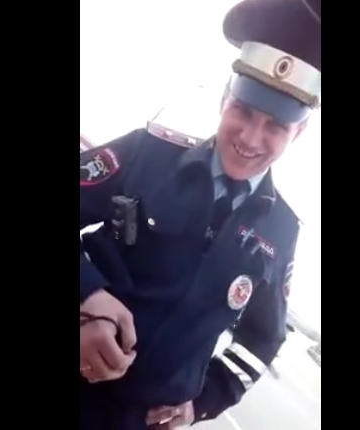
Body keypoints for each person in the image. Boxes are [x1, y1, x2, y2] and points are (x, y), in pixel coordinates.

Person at [79, 0, 321, 428]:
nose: (251, 138)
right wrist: (86, 297)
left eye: (276, 126)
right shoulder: (147, 153)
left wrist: (204, 401)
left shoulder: (281, 229)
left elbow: (262, 339)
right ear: (225, 99)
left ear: (298, 133)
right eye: (243, 110)